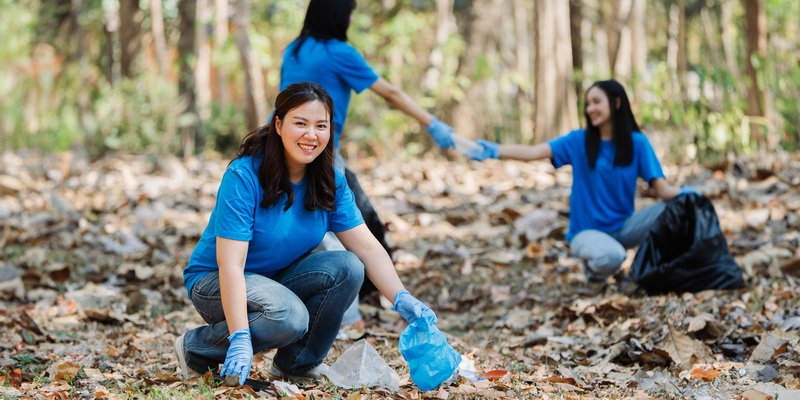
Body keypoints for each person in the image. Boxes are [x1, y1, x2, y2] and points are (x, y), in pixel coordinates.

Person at [174, 82, 440, 385]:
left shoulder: (329, 180)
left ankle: (297, 364)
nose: (311, 135)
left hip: (278, 279)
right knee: (289, 316)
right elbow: (231, 266)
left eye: (320, 126)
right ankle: (196, 349)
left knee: (348, 266)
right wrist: (239, 336)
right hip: (216, 282)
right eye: (300, 123)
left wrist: (402, 298)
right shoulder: (244, 176)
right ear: (278, 124)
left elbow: (367, 248)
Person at [278, 0, 457, 325]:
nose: (350, 18)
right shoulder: (339, 52)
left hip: (285, 145)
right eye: (349, 12)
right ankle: (350, 312)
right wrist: (431, 123)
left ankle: (377, 295)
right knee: (346, 229)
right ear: (337, 15)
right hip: (319, 152)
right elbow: (389, 92)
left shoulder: (295, 49)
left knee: (363, 219)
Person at [470, 79, 690, 282]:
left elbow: (663, 190)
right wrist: (492, 150)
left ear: (616, 103)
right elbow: (533, 151)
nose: (590, 109)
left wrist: (691, 195)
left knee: (678, 208)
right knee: (613, 256)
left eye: (596, 102)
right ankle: (594, 272)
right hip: (585, 234)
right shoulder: (579, 140)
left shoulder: (637, 143)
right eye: (587, 103)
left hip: (624, 228)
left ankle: (666, 269)